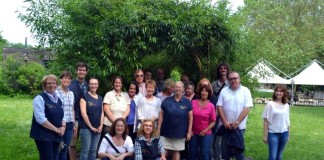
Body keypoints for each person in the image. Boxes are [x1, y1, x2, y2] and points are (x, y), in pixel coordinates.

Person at [217, 71, 253, 160]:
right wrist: (225, 122)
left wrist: (237, 123)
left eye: (235, 78)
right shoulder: (224, 90)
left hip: (239, 127)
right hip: (226, 126)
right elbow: (219, 106)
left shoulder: (245, 91)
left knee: (238, 151)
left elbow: (247, 108)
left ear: (239, 79)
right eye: (231, 79)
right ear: (228, 80)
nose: (233, 81)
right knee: (225, 151)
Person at [30, 74, 65, 160]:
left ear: (57, 84)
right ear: (44, 85)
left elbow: (63, 115)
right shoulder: (39, 98)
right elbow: (40, 119)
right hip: (43, 135)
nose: (52, 85)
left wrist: (63, 127)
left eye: (54, 83)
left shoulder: (58, 99)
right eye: (49, 83)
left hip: (56, 134)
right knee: (47, 158)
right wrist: (56, 129)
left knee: (54, 157)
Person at [158, 81, 193, 160]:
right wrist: (159, 129)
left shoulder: (187, 102)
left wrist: (189, 131)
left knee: (176, 151)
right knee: (163, 151)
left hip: (180, 133)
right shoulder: (167, 100)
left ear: (183, 89)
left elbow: (190, 118)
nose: (178, 88)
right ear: (174, 89)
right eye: (176, 87)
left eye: (180, 87)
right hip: (166, 131)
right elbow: (161, 115)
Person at [262, 85, 290, 160]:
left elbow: (287, 121)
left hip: (284, 133)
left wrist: (288, 134)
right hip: (273, 134)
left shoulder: (286, 105)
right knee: (272, 157)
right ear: (275, 92)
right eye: (277, 91)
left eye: (281, 91)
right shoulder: (270, 104)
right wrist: (265, 135)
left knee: (279, 156)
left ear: (284, 93)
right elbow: (265, 121)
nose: (278, 93)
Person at [189, 83, 216, 160]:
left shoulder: (211, 106)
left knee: (204, 153)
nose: (204, 93)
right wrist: (190, 130)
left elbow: (213, 121)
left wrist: (205, 131)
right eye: (202, 91)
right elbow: (189, 117)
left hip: (206, 134)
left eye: (206, 91)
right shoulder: (193, 102)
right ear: (200, 92)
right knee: (192, 153)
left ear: (209, 93)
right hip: (193, 133)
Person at [79, 77, 104, 160]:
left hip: (97, 129)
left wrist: (100, 126)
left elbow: (102, 113)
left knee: (93, 150)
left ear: (98, 85)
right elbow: (83, 113)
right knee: (85, 150)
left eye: (95, 84)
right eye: (92, 84)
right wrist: (91, 127)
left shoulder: (100, 98)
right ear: (89, 85)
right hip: (86, 128)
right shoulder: (84, 96)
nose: (94, 85)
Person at [69, 62, 89, 160]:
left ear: (86, 72)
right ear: (76, 71)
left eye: (83, 70)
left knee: (86, 144)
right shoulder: (70, 85)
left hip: (86, 118)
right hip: (75, 118)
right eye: (80, 70)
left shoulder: (88, 85)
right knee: (72, 143)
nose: (81, 72)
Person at [211, 63, 230, 160]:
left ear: (227, 70)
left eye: (225, 68)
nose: (223, 70)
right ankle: (217, 157)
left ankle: (227, 156)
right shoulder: (214, 84)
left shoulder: (231, 83)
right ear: (218, 70)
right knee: (216, 137)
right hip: (216, 113)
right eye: (221, 68)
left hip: (227, 113)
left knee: (227, 138)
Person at [56, 71, 75, 160]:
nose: (66, 80)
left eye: (68, 78)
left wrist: (74, 123)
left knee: (65, 149)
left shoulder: (71, 93)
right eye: (64, 78)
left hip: (70, 124)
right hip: (59, 124)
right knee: (57, 149)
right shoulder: (56, 92)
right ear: (60, 79)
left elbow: (72, 109)